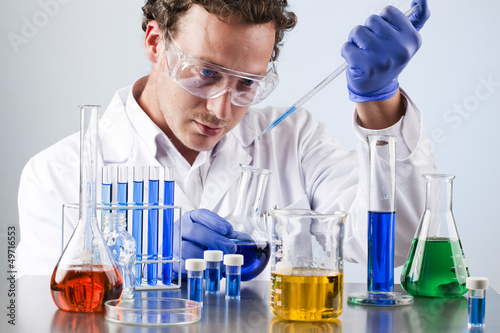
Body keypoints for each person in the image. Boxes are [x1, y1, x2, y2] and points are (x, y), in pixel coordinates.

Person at [17, 0, 435, 278]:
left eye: (247, 84)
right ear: (155, 42)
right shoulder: (57, 174)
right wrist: (146, 267)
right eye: (206, 73)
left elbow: (394, 247)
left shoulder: (294, 139)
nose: (221, 110)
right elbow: (42, 316)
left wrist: (380, 104)